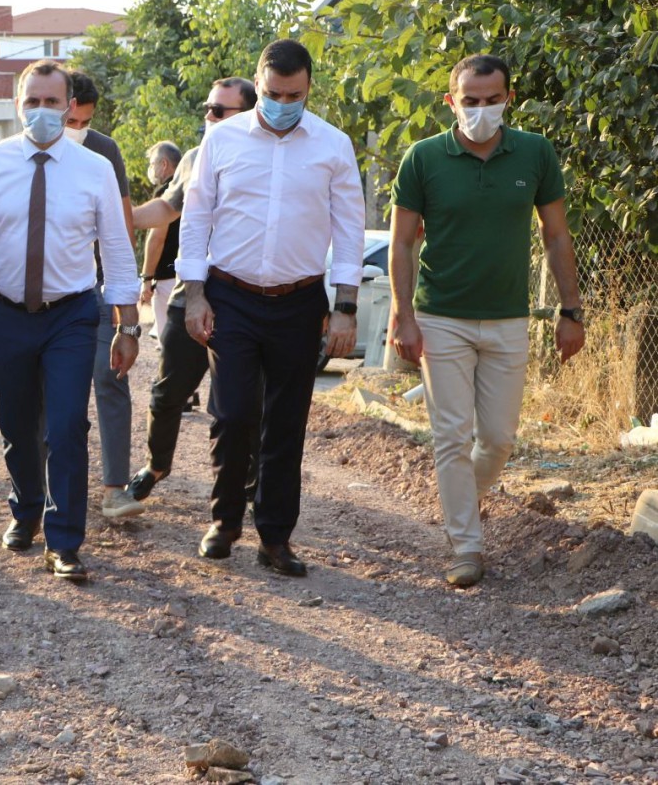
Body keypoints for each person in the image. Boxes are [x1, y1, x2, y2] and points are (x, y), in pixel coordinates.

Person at [0, 60, 141, 581]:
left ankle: (64, 540)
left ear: (70, 107)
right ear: (17, 105)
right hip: (6, 313)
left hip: (71, 313)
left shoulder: (94, 168)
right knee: (16, 422)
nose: (43, 112)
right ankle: (26, 507)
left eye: (53, 102)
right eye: (33, 102)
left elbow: (116, 247)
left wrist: (128, 323)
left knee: (68, 423)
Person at [390, 53, 585, 588]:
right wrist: (403, 317)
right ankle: (466, 546)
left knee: (498, 438)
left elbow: (556, 235)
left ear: (508, 100)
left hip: (507, 318)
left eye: (491, 100)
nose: (481, 110)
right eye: (470, 101)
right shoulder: (424, 158)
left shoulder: (535, 153)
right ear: (451, 101)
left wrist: (571, 311)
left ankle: (461, 504)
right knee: (451, 435)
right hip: (440, 317)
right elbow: (402, 243)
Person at [178, 41, 365, 577]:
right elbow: (196, 218)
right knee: (234, 414)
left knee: (286, 422)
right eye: (273, 93)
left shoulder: (332, 145)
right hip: (231, 295)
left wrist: (345, 306)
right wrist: (195, 294)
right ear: (257, 84)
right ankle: (225, 520)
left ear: (309, 89)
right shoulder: (222, 140)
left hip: (299, 301)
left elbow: (350, 228)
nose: (284, 102)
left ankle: (275, 538)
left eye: (295, 94)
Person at [126, 78, 257, 501]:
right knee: (167, 394)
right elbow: (166, 209)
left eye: (220, 110)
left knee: (238, 406)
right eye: (208, 107)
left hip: (245, 298)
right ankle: (156, 465)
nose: (209, 116)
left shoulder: (271, 159)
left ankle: (249, 487)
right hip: (190, 294)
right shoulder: (196, 157)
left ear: (249, 113)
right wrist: (119, 214)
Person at [62, 71, 143, 519]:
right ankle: (49, 490)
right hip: (47, 295)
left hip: (97, 290)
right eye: (70, 119)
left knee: (112, 379)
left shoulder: (104, 150)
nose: (76, 129)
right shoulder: (21, 152)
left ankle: (115, 487)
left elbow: (123, 225)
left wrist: (125, 300)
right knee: (53, 396)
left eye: (84, 121)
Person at [139, 141, 183, 341]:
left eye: (152, 163)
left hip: (167, 277)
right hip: (191, 273)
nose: (151, 169)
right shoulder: (192, 187)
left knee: (167, 341)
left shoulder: (167, 192)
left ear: (164, 164)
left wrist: (146, 278)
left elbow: (156, 237)